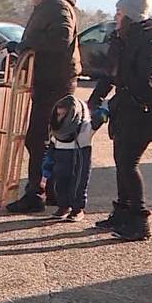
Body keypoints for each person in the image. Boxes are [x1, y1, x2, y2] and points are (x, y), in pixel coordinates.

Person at [88, 0, 152, 241]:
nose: (115, 16)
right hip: (126, 110)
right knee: (121, 162)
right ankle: (122, 213)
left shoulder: (151, 40)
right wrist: (95, 98)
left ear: (131, 15)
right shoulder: (122, 38)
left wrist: (121, 96)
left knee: (128, 164)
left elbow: (146, 79)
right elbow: (110, 73)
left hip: (143, 112)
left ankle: (139, 222)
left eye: (119, 12)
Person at [4, 0, 82, 213]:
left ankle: (37, 193)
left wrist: (26, 45)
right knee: (48, 140)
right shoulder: (48, 5)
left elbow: (61, 38)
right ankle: (52, 191)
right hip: (48, 81)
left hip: (55, 84)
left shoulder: (58, 6)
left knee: (38, 138)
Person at [44, 94, 108, 222]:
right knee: (60, 183)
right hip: (60, 158)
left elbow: (100, 118)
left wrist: (105, 108)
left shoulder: (84, 128)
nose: (60, 118)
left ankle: (77, 209)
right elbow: (50, 149)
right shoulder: (56, 130)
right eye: (58, 115)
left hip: (79, 157)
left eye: (63, 115)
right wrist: (46, 167)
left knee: (78, 184)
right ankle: (63, 206)